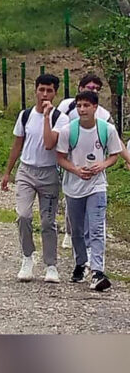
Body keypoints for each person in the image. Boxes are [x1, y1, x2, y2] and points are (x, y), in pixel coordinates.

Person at [1, 74, 66, 283]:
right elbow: (17, 144)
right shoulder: (25, 115)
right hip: (27, 171)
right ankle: (27, 257)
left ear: (55, 93)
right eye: (41, 90)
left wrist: (47, 116)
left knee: (48, 221)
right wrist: (7, 172)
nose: (44, 95)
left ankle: (51, 265)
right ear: (35, 90)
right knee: (23, 215)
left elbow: (49, 144)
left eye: (49, 91)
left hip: (48, 173)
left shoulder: (61, 119)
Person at [56, 90, 122, 292]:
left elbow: (114, 154)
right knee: (77, 229)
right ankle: (80, 263)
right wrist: (76, 169)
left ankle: (97, 270)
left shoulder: (106, 129)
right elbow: (60, 157)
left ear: (95, 108)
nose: (82, 109)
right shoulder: (68, 130)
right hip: (74, 186)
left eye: (86, 105)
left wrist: (102, 165)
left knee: (96, 227)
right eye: (79, 105)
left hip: (97, 185)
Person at [56, 72, 114, 250]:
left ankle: (92, 246)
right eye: (90, 87)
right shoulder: (66, 106)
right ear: (80, 88)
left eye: (97, 88)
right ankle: (70, 232)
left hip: (92, 162)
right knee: (72, 199)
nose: (94, 90)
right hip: (69, 157)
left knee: (93, 203)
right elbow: (56, 125)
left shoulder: (103, 115)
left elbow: (115, 141)